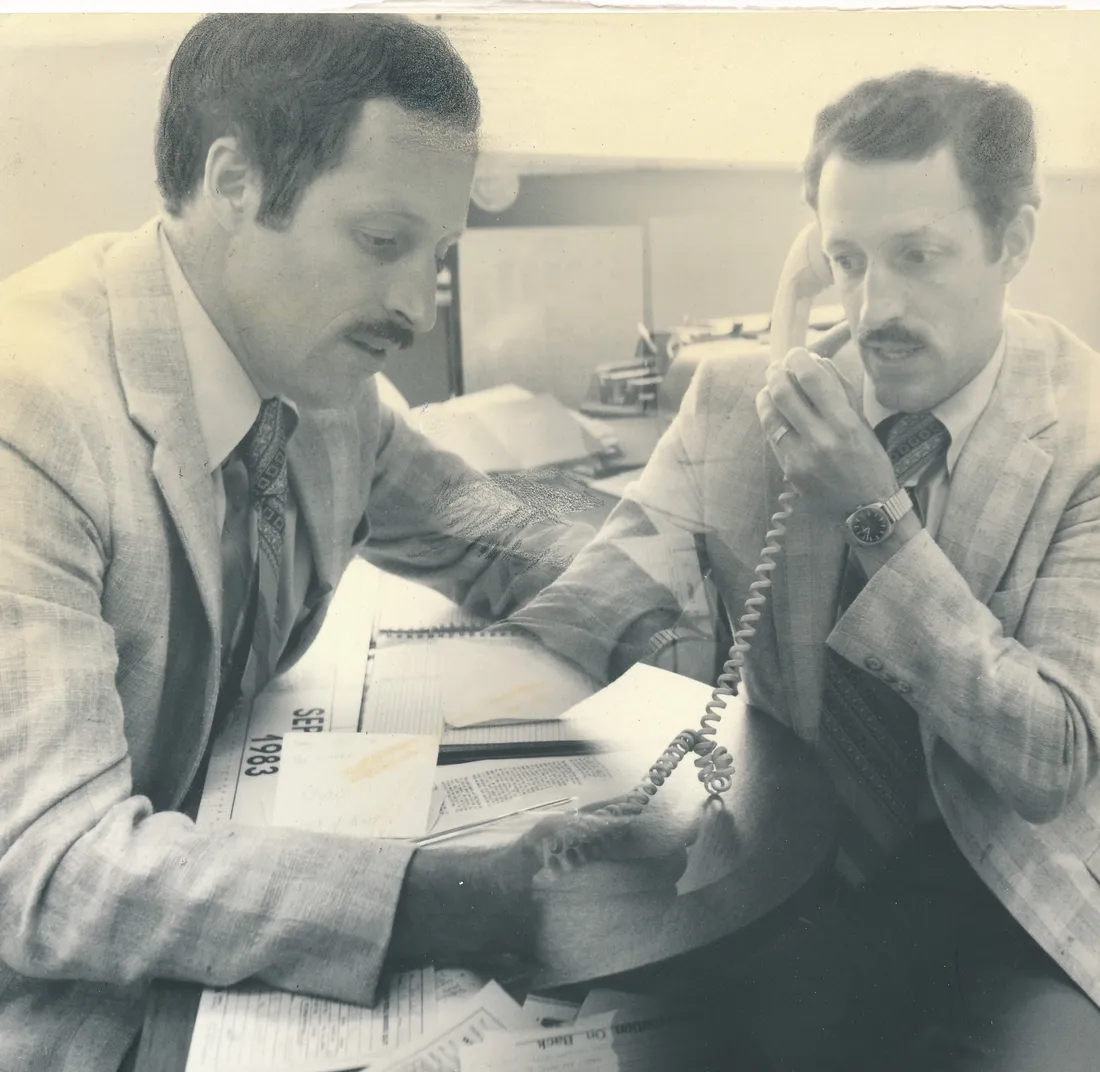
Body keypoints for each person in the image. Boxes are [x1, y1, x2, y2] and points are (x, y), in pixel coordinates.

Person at [0, 14, 643, 1071]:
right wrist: (445, 898)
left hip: (199, 912)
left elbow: (486, 529)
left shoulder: (322, 385)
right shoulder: (32, 411)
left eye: (434, 257)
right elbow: (49, 870)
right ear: (235, 180)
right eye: (383, 243)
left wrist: (653, 602)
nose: (413, 308)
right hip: (61, 1005)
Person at [510, 68, 1100, 1069]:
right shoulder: (747, 398)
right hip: (784, 862)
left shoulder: (1082, 438)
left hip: (998, 880)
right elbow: (592, 598)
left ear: (1011, 242)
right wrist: (673, 648)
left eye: (919, 256)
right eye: (845, 259)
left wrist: (875, 516)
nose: (874, 309)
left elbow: (1047, 758)